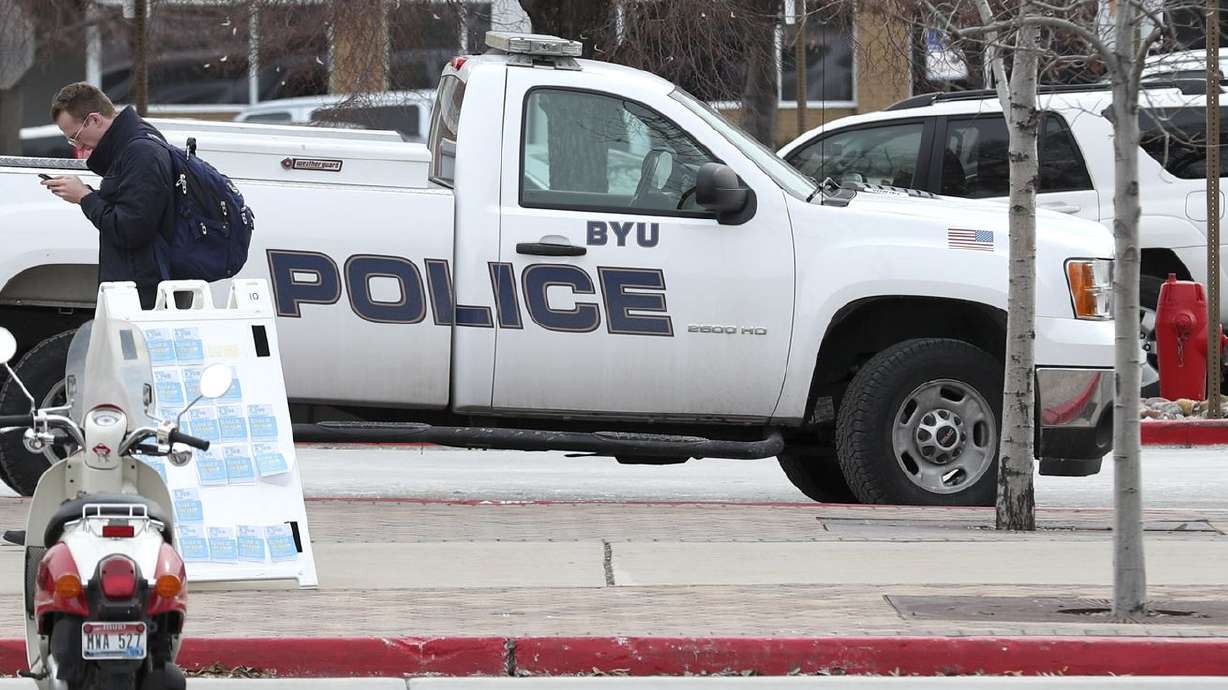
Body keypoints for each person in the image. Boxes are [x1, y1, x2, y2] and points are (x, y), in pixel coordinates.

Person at [43, 82, 174, 310]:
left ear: (94, 119)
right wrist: (86, 194)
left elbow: (131, 229)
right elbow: (131, 210)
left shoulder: (140, 153)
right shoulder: (136, 142)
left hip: (143, 294)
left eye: (75, 136)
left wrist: (85, 197)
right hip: (140, 287)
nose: (78, 145)